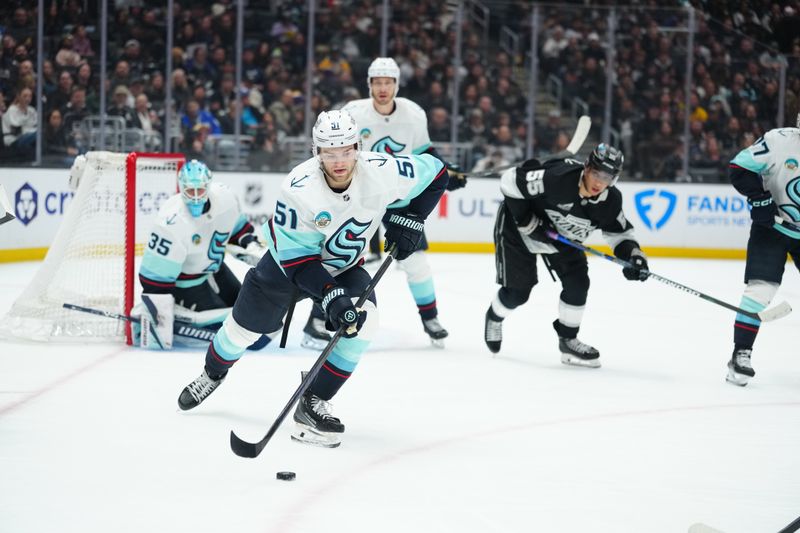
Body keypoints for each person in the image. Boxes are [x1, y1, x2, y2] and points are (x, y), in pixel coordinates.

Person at [177, 109, 447, 447]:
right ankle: (212, 373)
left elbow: (437, 173)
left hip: (344, 267)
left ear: (357, 146)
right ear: (316, 152)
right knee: (240, 333)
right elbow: (300, 262)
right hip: (284, 270)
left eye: (346, 150)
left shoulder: (383, 170)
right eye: (329, 152)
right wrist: (331, 296)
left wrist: (412, 219)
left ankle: (313, 400)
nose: (339, 161)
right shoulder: (298, 188)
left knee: (365, 321)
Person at [483, 143, 649, 368]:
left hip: (561, 236)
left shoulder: (610, 201)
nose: (600, 183)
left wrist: (633, 256)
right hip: (518, 227)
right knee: (518, 293)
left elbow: (619, 235)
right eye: (597, 174)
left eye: (608, 177)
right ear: (587, 168)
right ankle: (494, 316)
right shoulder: (558, 179)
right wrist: (526, 221)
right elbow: (509, 181)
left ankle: (568, 340)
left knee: (578, 281)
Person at [342, 57, 466, 347]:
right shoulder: (353, 114)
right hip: (363, 198)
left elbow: (425, 151)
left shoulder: (413, 114)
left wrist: (447, 170)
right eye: (378, 83)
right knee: (342, 259)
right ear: (369, 84)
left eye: (388, 82)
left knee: (417, 263)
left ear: (396, 84)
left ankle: (430, 318)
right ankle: (324, 317)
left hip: (400, 197)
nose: (383, 88)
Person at [136, 159, 267, 348]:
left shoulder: (226, 198)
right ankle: (181, 310)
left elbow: (239, 230)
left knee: (254, 315)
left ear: (209, 186)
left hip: (215, 271)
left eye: (200, 190)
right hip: (186, 284)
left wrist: (250, 245)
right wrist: (159, 314)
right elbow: (153, 280)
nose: (196, 197)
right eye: (190, 191)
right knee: (244, 333)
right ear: (181, 189)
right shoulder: (171, 222)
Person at [725, 125, 800, 386]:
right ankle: (740, 354)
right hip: (773, 228)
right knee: (760, 291)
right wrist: (759, 199)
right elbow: (739, 167)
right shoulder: (779, 141)